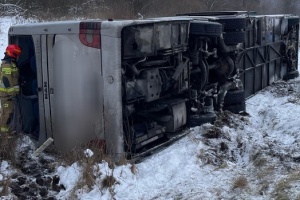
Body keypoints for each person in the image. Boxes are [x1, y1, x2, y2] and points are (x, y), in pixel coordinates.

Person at [0, 44, 22, 134]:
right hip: (7, 95)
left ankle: (10, 130)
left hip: (11, 95)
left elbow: (14, 77)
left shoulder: (12, 63)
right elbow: (6, 79)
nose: (16, 55)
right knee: (7, 114)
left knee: (11, 112)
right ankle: (4, 135)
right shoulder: (7, 64)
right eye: (15, 53)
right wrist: (11, 92)